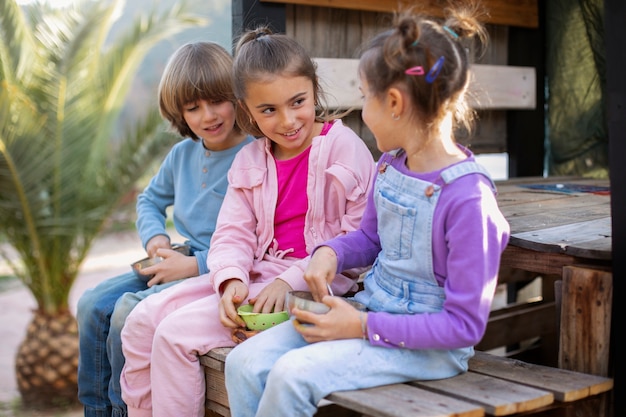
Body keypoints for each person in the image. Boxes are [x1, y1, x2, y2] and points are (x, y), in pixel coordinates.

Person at [224, 5, 512, 417]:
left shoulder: (469, 200)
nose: (361, 111)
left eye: (364, 99)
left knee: (290, 376)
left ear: (394, 102)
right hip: (371, 310)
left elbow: (464, 326)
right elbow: (370, 239)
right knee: (243, 362)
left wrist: (360, 327)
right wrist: (331, 252)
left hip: (428, 348)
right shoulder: (390, 165)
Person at [118, 26, 376, 417]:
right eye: (268, 110)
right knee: (139, 321)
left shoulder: (344, 148)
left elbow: (357, 241)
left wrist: (285, 281)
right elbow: (232, 234)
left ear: (314, 90)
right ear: (247, 110)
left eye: (297, 102)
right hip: (255, 275)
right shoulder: (251, 159)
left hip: (314, 287)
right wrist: (230, 279)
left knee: (172, 336)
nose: (288, 121)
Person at [76, 41, 254, 417]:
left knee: (125, 312)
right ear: (179, 112)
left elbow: (257, 239)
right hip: (179, 256)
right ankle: (96, 410)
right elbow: (149, 201)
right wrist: (157, 240)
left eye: (217, 100)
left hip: (220, 270)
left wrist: (193, 266)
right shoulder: (182, 155)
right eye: (193, 107)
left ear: (237, 97)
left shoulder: (254, 155)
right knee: (92, 304)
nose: (208, 115)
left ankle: (123, 409)